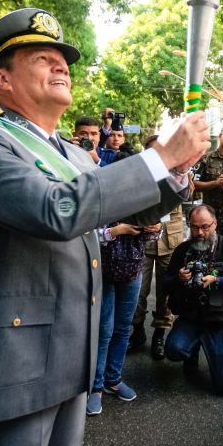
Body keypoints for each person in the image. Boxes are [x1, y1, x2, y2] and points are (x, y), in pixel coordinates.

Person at [0, 8, 208, 446]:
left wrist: (176, 168)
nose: (61, 65)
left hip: (70, 351)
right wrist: (157, 157)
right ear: (2, 79)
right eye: (43, 58)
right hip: (13, 360)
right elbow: (56, 210)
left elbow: (129, 206)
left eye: (62, 59)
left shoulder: (74, 153)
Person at [86, 149, 161, 416]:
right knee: (103, 331)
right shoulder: (101, 194)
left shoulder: (144, 197)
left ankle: (113, 380)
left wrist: (154, 229)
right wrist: (116, 230)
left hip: (132, 271)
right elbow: (86, 233)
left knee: (122, 329)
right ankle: (94, 387)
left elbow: (150, 237)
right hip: (104, 273)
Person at [162, 204, 223, 395]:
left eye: (205, 226)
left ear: (215, 224)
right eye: (195, 227)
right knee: (173, 350)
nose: (200, 232)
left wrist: (217, 280)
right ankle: (192, 352)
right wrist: (178, 278)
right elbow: (166, 284)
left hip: (219, 321)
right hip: (191, 317)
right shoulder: (183, 250)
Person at [129, 134, 186, 359]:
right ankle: (138, 330)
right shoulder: (138, 176)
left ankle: (160, 334)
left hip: (169, 241)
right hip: (142, 240)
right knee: (137, 291)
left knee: (166, 291)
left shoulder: (179, 173)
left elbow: (188, 192)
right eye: (151, 150)